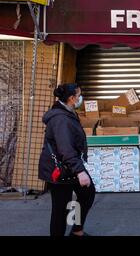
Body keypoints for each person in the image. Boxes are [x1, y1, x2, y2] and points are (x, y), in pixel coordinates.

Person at [38, 83, 95, 236]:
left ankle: (77, 230)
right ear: (71, 98)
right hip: (60, 169)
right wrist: (80, 171)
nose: (80, 98)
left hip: (68, 166)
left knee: (87, 194)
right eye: (79, 95)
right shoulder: (61, 119)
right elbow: (65, 148)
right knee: (60, 209)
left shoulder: (67, 111)